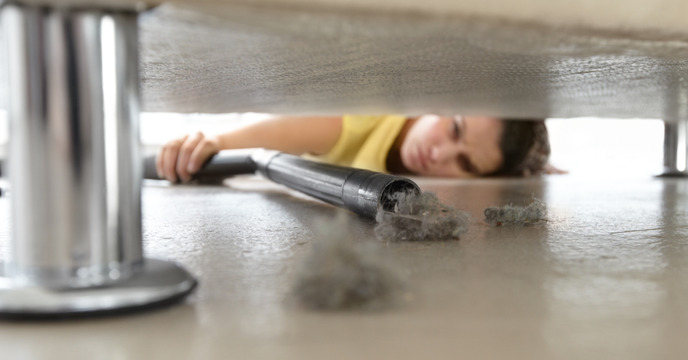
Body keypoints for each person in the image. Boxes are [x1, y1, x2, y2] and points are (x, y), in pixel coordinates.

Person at [155, 115, 554, 183]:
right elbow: (288, 131)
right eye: (453, 128)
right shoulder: (366, 119)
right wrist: (218, 144)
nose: (440, 154)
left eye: (465, 163)